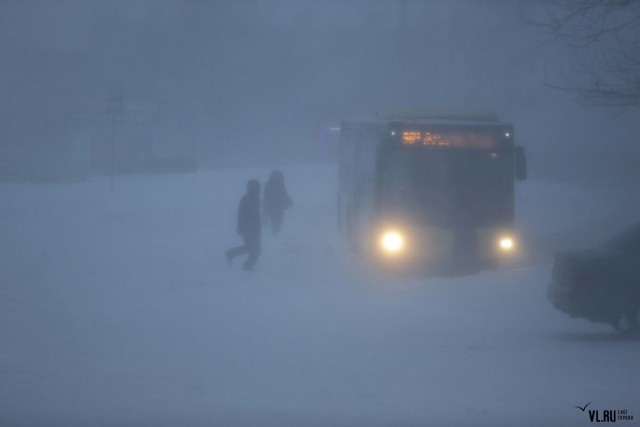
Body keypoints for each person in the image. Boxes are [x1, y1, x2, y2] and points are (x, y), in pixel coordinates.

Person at [226, 179, 261, 271]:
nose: (259, 189)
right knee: (255, 249)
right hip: (249, 229)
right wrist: (241, 227)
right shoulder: (247, 199)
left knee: (250, 247)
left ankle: (231, 253)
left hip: (254, 229)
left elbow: (257, 215)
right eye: (257, 187)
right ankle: (247, 266)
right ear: (253, 188)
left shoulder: (256, 199)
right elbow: (241, 214)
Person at [263, 170, 292, 234]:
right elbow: (266, 197)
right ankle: (275, 234)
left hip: (278, 207)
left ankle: (276, 233)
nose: (276, 179)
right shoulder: (269, 185)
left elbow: (285, 195)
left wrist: (286, 200)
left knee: (278, 221)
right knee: (275, 222)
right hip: (272, 208)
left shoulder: (281, 185)